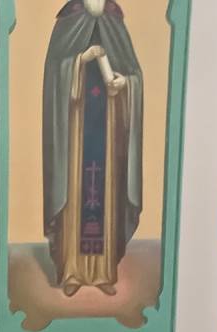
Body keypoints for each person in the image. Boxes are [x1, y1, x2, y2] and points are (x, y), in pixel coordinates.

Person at [40, 0, 145, 296]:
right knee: (77, 191)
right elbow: (54, 75)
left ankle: (102, 272)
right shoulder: (69, 18)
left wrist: (125, 84)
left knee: (104, 192)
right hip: (75, 132)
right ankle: (72, 271)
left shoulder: (114, 18)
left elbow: (135, 75)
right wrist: (80, 61)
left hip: (108, 131)